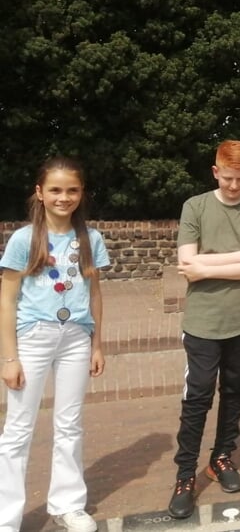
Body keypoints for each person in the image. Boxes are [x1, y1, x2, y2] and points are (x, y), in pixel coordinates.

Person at [0, 157, 109, 532]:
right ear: (40, 193)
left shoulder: (90, 239)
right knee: (18, 428)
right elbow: (8, 299)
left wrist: (96, 344)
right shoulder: (24, 239)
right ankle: (6, 517)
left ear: (81, 193)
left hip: (76, 338)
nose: (64, 197)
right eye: (56, 190)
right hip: (33, 337)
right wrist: (9, 357)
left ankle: (67, 503)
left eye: (72, 190)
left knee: (70, 423)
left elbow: (94, 293)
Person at [167, 140, 240, 519]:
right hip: (202, 321)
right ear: (216, 172)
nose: (233, 186)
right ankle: (185, 476)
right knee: (197, 397)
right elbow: (185, 262)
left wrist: (210, 266)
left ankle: (222, 457)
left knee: (234, 390)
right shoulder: (195, 207)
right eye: (228, 178)